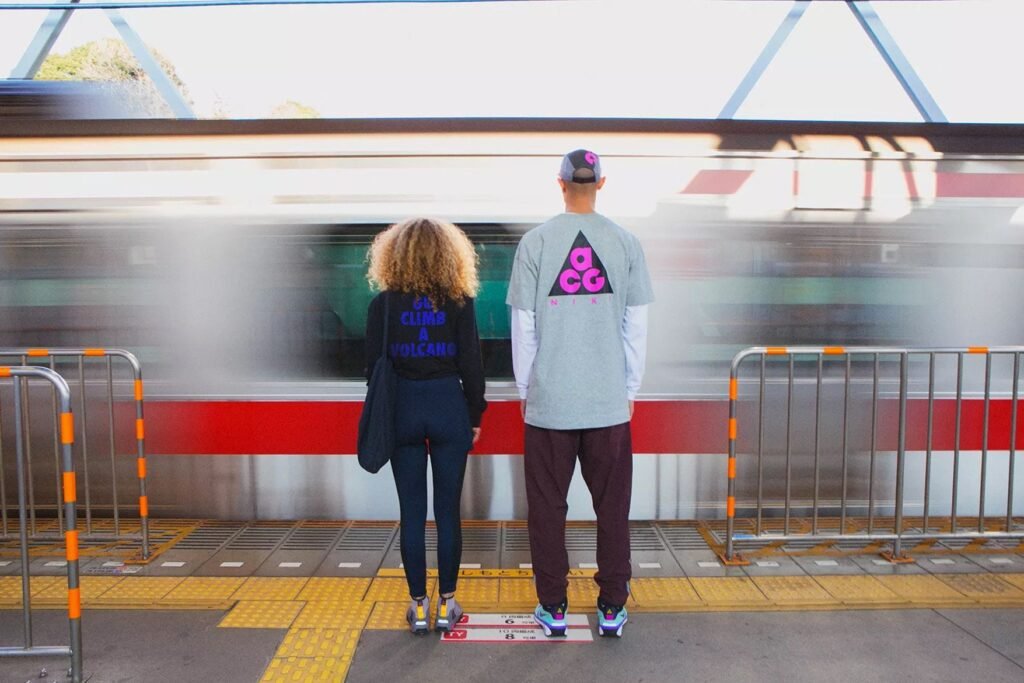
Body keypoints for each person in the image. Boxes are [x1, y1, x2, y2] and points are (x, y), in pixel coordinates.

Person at [506, 149, 653, 638]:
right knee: (612, 507)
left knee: (548, 508)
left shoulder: (535, 243)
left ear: (561, 183)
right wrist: (629, 388)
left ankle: (554, 608)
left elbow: (524, 326)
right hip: (608, 403)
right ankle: (612, 607)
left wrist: (528, 390)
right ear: (602, 184)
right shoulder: (627, 243)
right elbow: (636, 325)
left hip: (550, 405)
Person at [365, 217, 486, 635]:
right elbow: (472, 364)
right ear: (449, 256)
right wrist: (474, 415)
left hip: (402, 409)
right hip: (448, 405)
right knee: (448, 512)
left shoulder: (382, 305)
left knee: (412, 514)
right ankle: (447, 604)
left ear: (393, 256)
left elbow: (372, 371)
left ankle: (418, 607)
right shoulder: (459, 301)